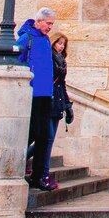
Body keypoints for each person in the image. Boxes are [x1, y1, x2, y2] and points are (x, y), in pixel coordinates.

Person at [17, 8, 58, 191]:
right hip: (32, 93)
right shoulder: (27, 38)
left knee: (45, 136)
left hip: (46, 94)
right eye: (48, 23)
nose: (50, 27)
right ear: (39, 21)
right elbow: (18, 62)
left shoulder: (46, 40)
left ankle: (38, 176)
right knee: (33, 132)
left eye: (51, 24)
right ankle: (18, 164)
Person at [47, 32, 73, 163]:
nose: (61, 46)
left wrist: (68, 105)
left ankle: (43, 169)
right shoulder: (49, 57)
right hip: (48, 99)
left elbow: (62, 84)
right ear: (53, 43)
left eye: (64, 44)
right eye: (59, 43)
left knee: (50, 139)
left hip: (58, 101)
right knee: (47, 137)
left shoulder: (62, 61)